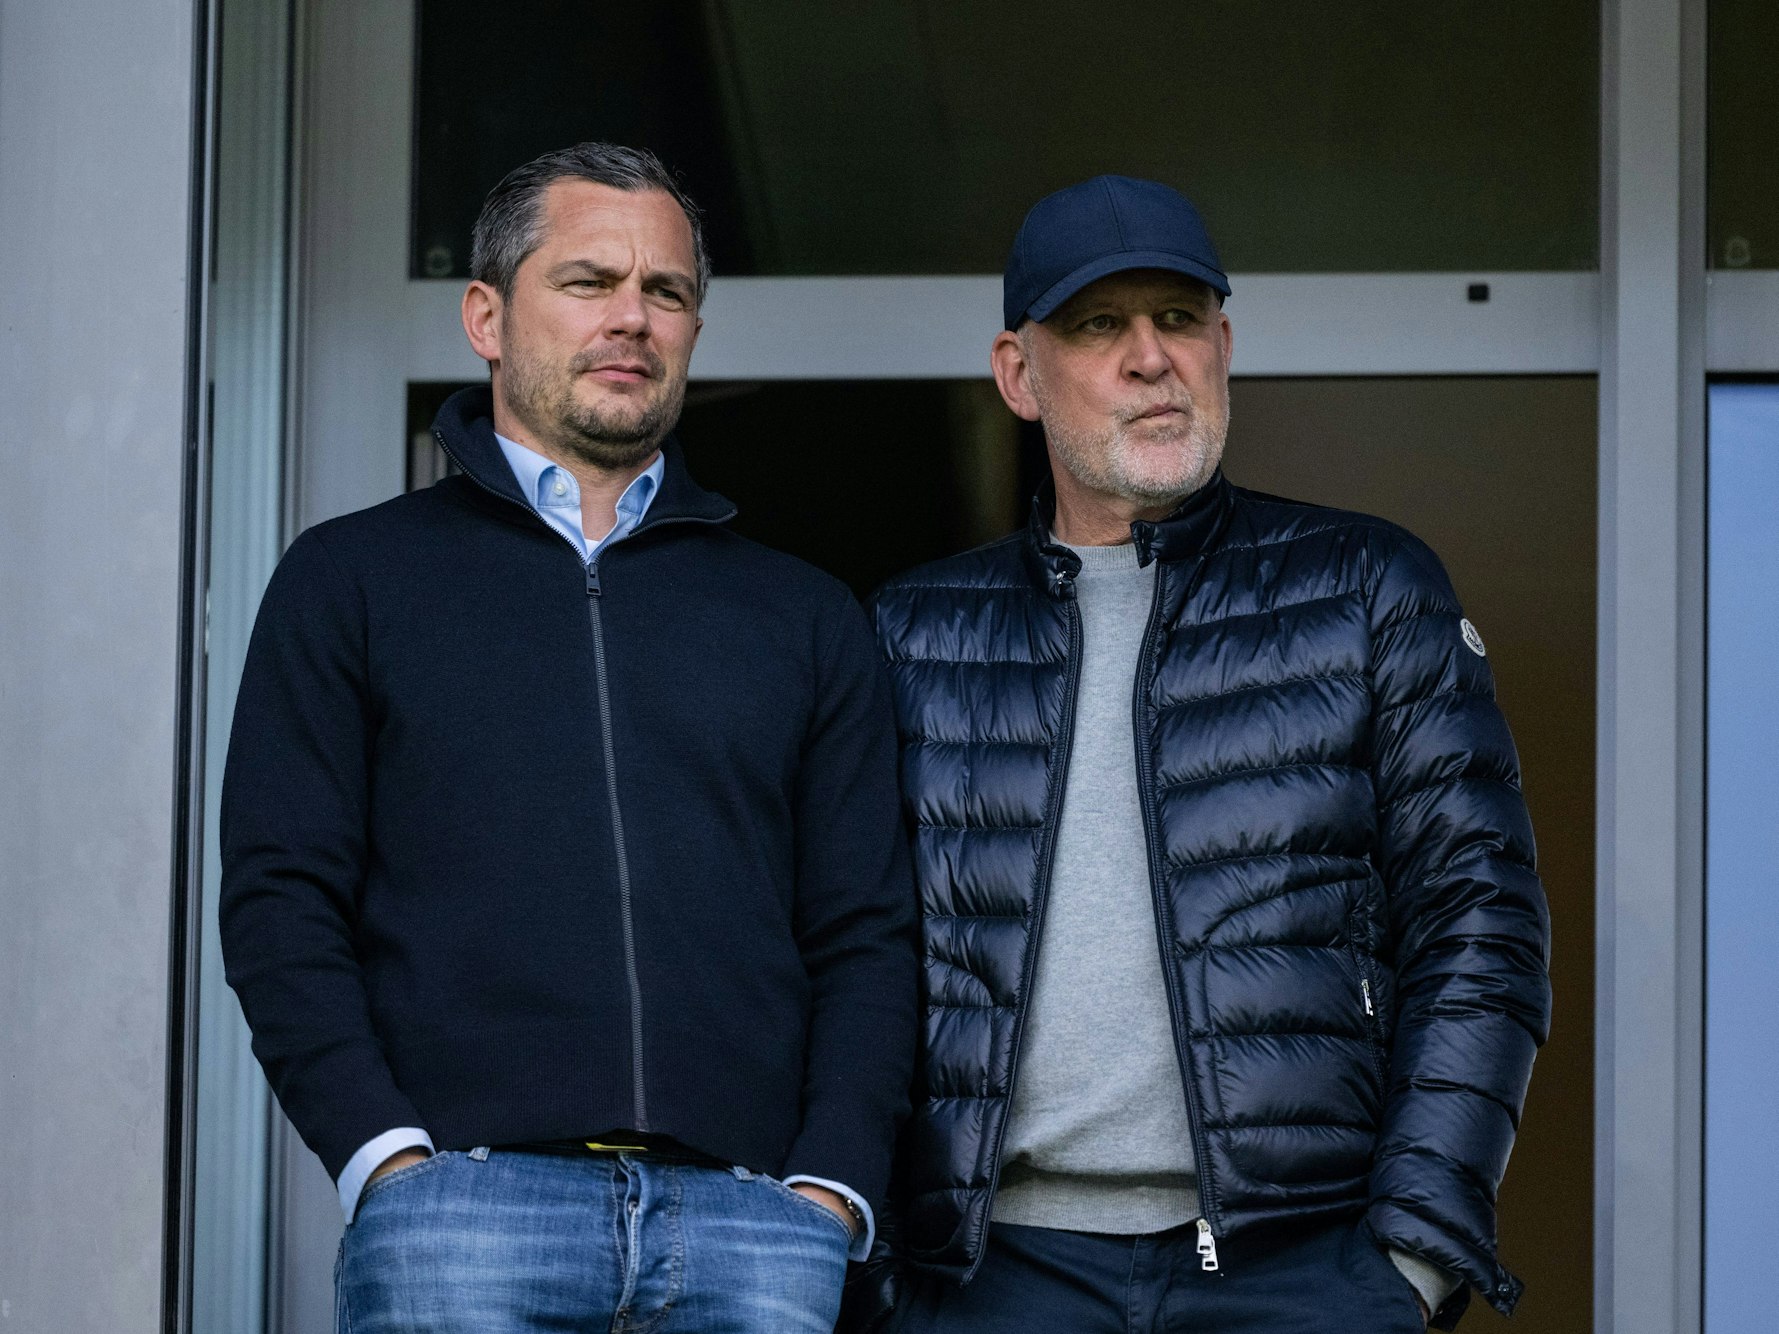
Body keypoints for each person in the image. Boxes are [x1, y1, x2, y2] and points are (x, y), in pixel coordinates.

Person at [220, 141, 918, 1334]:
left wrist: (833, 1187)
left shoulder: (800, 612)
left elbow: (866, 930)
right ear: (487, 315)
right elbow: (281, 898)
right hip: (463, 1213)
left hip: (755, 1226)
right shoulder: (353, 580)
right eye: (589, 282)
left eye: (667, 291)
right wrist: (385, 1160)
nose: (632, 320)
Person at [866, 176, 1551, 1332]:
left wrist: (1412, 1257)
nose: (1151, 356)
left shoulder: (1366, 588)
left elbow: (1482, 923)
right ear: (1017, 374)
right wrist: (884, 1276)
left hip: (1300, 1270)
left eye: (1179, 318)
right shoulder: (907, 634)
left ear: (1223, 344)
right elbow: (838, 958)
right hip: (994, 1279)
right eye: (1097, 325)